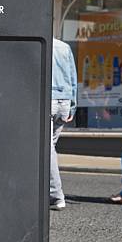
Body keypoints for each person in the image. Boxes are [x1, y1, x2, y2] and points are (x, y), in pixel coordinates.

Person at [50, 38, 77, 211]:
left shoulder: (41, 44)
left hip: (48, 99)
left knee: (47, 150)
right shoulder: (64, 47)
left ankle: (56, 195)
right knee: (49, 147)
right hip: (64, 101)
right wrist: (72, 106)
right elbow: (73, 78)